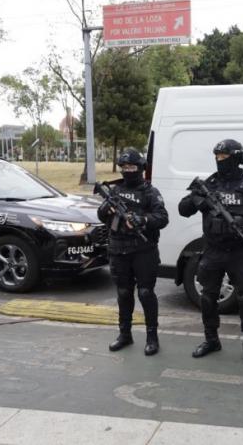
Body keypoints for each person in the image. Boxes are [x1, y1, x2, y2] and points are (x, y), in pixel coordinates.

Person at [178, 139, 243, 364]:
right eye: (217, 157)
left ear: (237, 158)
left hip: (239, 252)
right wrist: (196, 200)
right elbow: (183, 209)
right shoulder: (209, 184)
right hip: (212, 250)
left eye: (224, 157)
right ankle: (211, 340)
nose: (220, 161)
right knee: (208, 297)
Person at [98, 148, 169, 356]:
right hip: (118, 249)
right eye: (125, 167)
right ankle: (125, 334)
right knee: (123, 293)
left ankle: (152, 337)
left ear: (141, 168)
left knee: (146, 293)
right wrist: (105, 209)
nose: (128, 170)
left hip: (143, 250)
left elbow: (163, 218)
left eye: (132, 167)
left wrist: (143, 220)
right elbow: (102, 215)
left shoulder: (150, 192)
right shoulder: (115, 190)